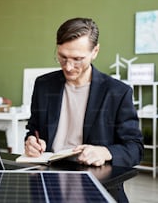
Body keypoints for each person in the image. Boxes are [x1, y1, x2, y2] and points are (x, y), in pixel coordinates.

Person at [24, 18, 143, 202]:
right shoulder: (43, 85)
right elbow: (34, 129)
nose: (69, 67)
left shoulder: (117, 92)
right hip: (49, 183)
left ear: (95, 51)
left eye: (77, 59)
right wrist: (32, 141)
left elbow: (135, 148)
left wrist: (105, 152)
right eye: (62, 57)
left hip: (98, 185)